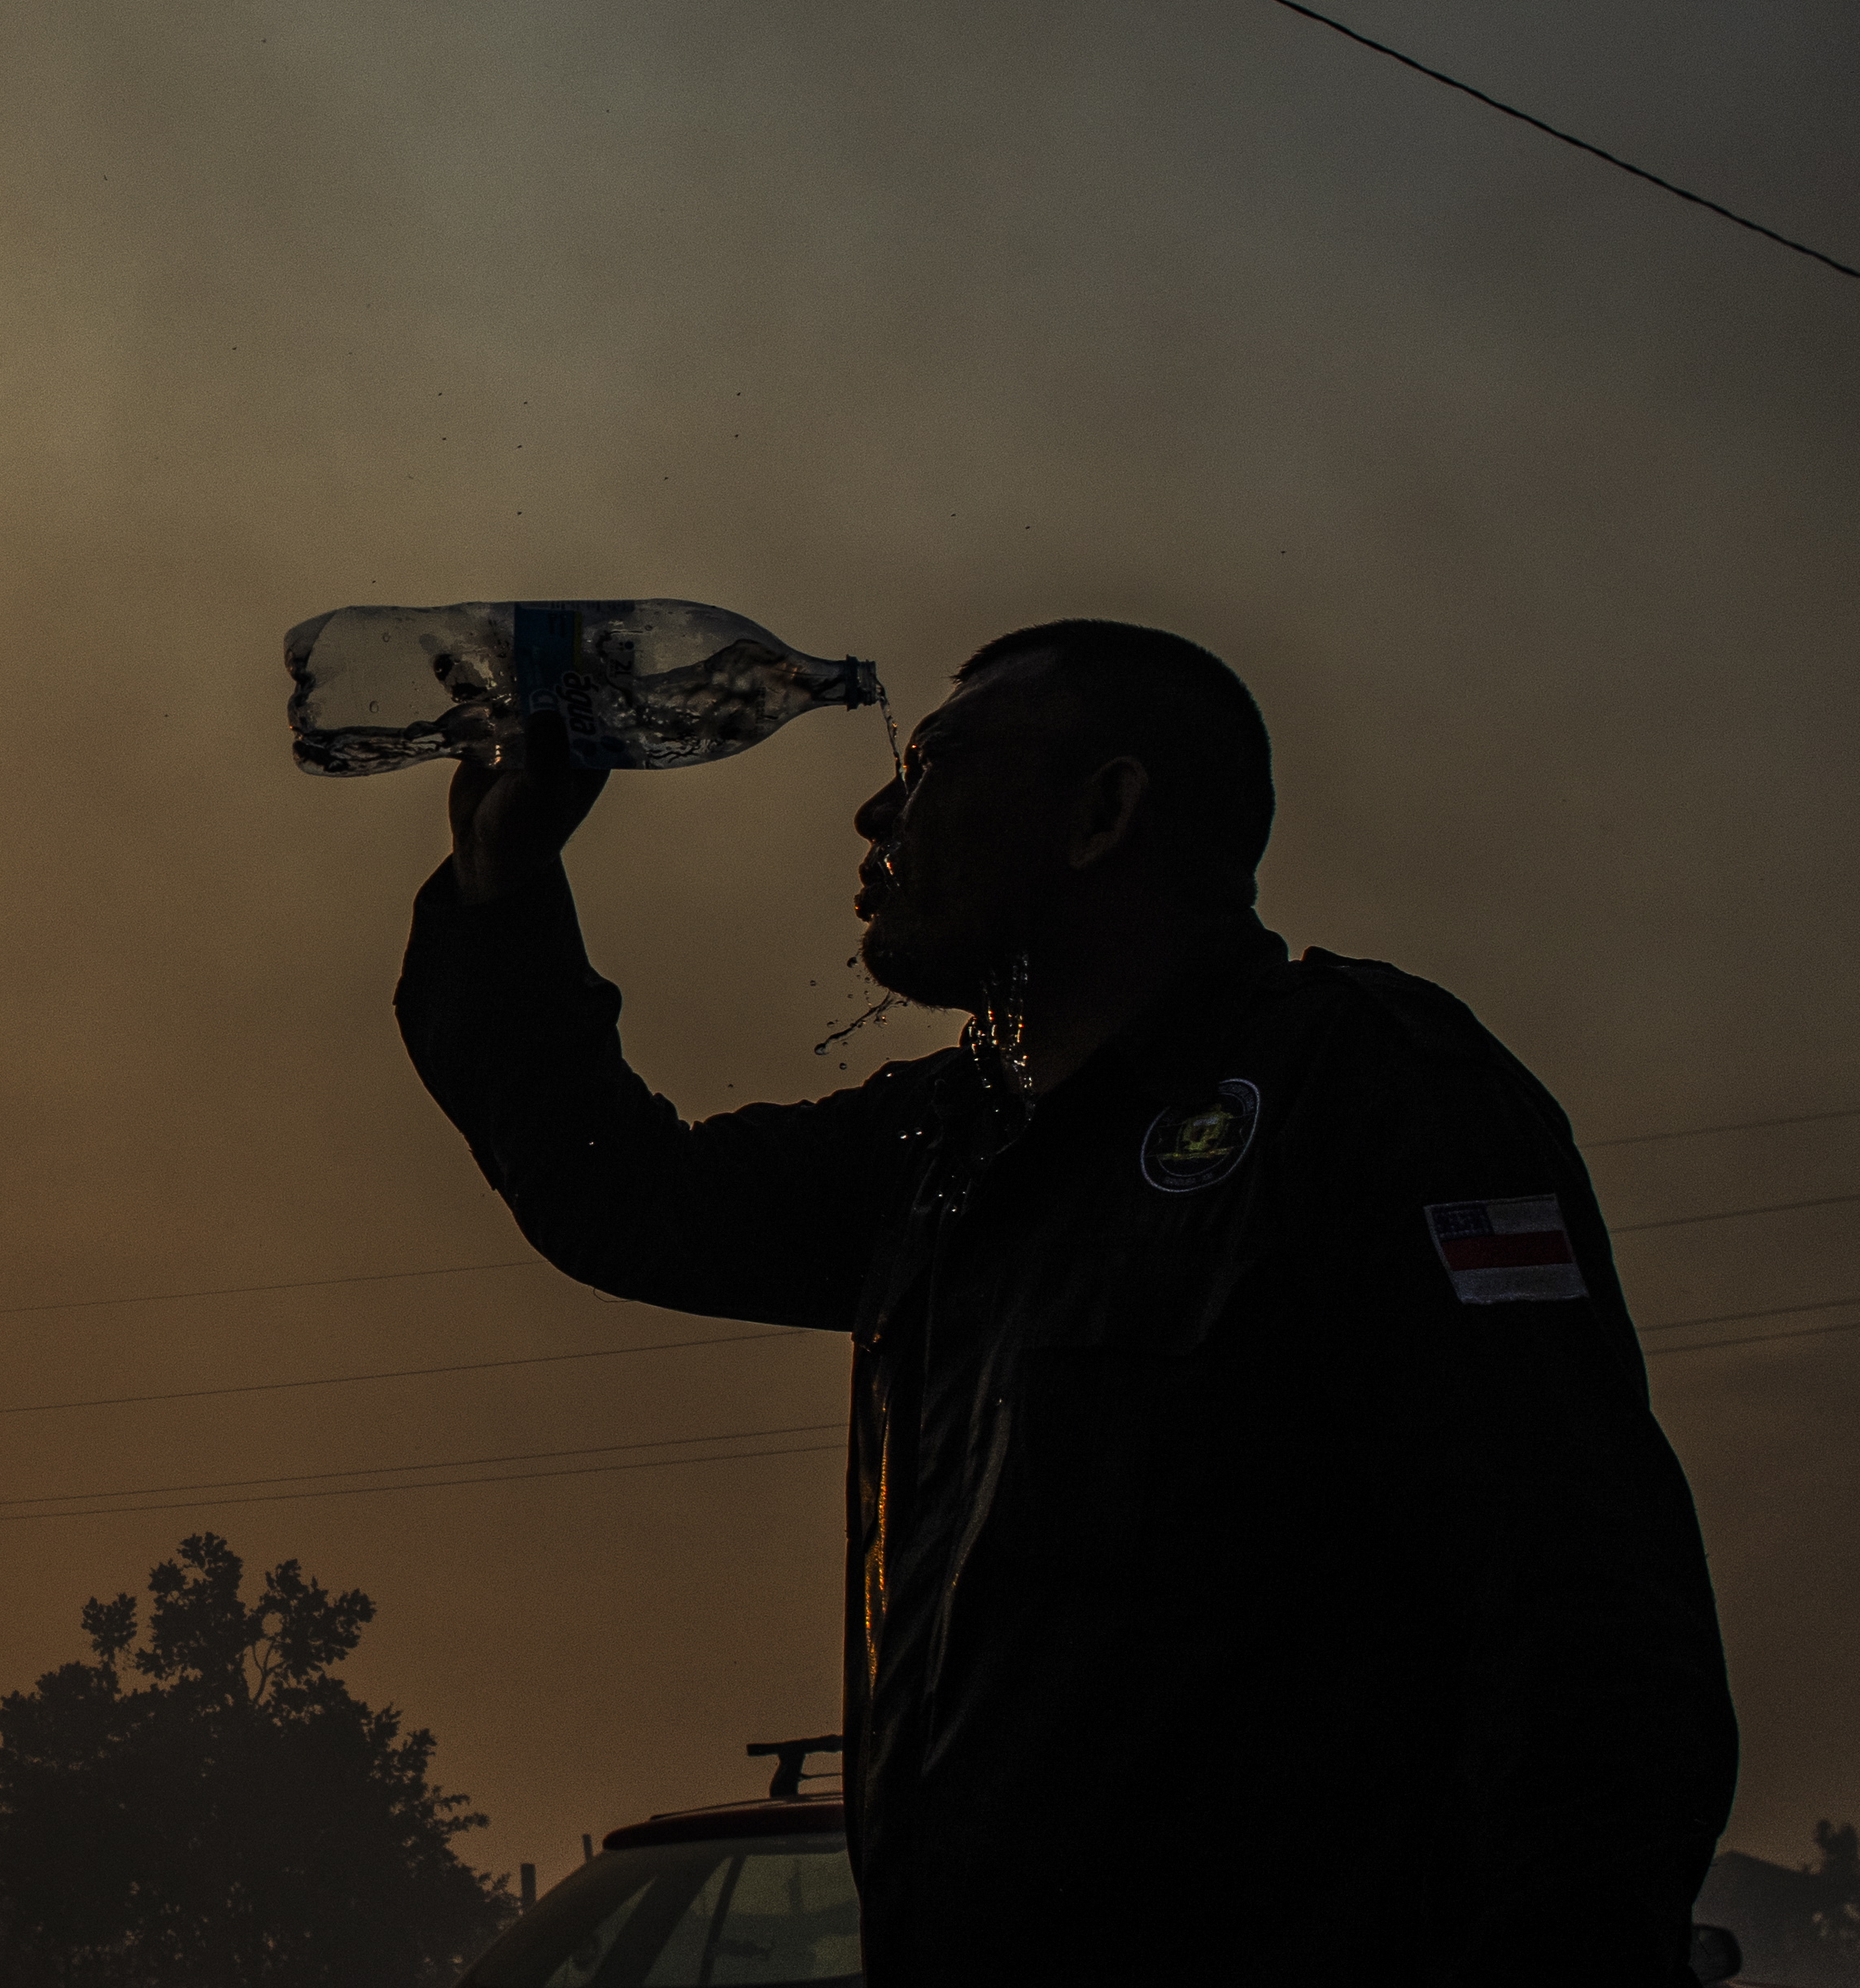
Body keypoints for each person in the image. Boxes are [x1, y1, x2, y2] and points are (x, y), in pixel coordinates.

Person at [395, 619, 1735, 1986]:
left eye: (933, 769)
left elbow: (1584, 1620)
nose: (875, 812)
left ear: (1105, 810)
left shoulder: (1373, 1095)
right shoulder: (941, 1148)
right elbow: (627, 1200)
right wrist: (503, 885)